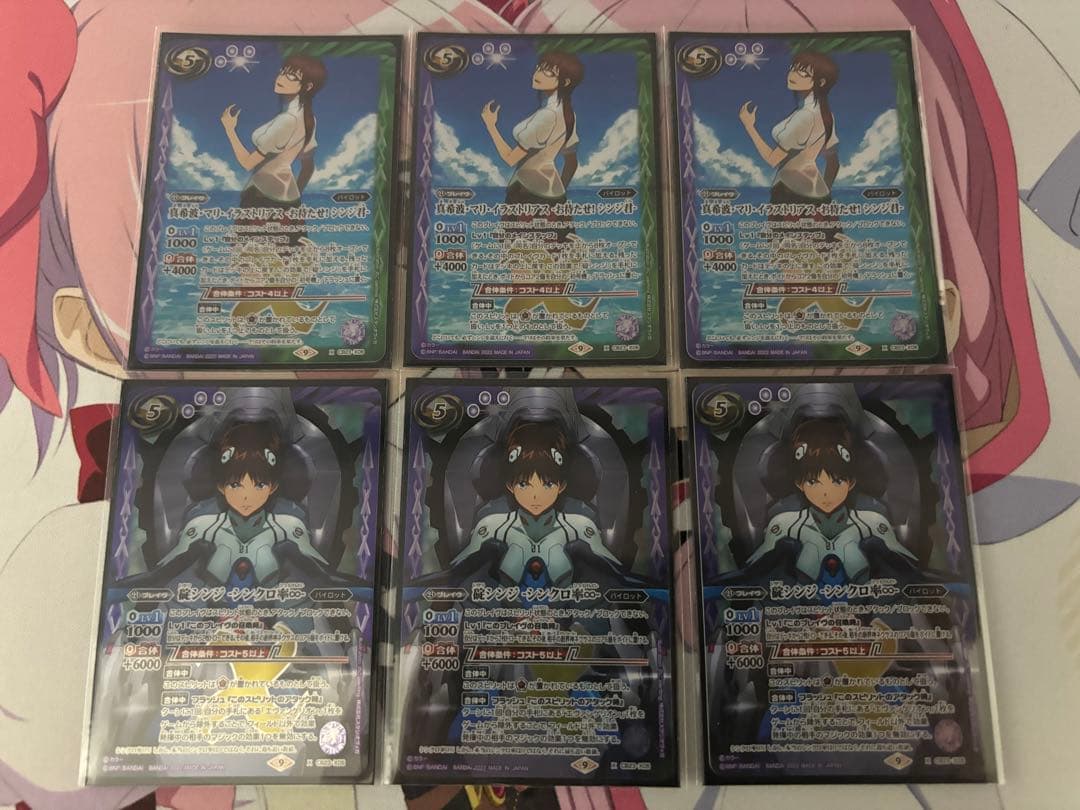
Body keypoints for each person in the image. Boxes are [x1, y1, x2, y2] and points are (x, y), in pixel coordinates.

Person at [741, 418, 920, 586]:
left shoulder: (873, 523)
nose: (826, 492)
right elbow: (753, 579)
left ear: (851, 483)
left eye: (837, 481)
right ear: (799, 484)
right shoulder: (783, 526)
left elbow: (909, 576)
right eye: (813, 482)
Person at [448, 420, 623, 589]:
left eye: (547, 484)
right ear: (510, 486)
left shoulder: (580, 526)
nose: (535, 495)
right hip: (501, 607)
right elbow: (457, 574)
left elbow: (615, 576)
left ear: (561, 486)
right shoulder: (493, 526)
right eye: (524, 484)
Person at [481, 50, 584, 245]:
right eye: (539, 68)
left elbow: (510, 158)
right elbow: (571, 162)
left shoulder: (547, 115)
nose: (538, 74)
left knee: (521, 258)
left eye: (548, 72)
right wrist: (557, 196)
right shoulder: (568, 114)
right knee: (554, 258)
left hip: (526, 194)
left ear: (565, 82)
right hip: (555, 196)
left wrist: (491, 126)